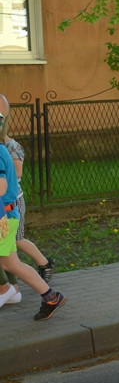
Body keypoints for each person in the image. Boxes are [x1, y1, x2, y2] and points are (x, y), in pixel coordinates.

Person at [0, 137, 67, 318]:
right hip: (6, 215)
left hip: (3, 218)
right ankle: (51, 297)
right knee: (11, 263)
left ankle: (47, 296)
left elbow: (2, 186)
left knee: (9, 263)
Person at [0, 95, 55, 283]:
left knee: (16, 239)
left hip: (14, 201)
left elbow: (15, 176)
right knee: (8, 246)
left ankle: (44, 263)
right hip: (5, 202)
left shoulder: (11, 147)